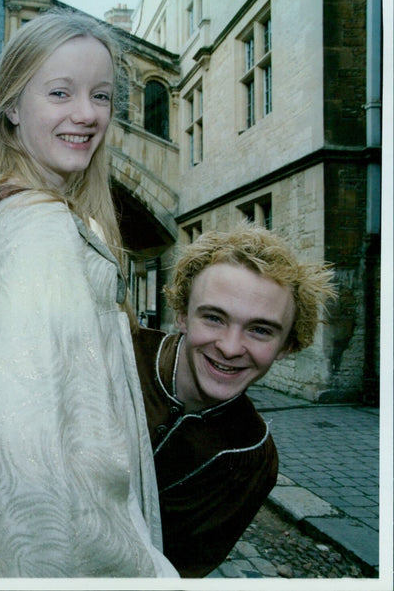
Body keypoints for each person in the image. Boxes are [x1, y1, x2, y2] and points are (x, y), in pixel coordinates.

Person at [0, 10, 177, 578]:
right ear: (10, 107)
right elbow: (30, 459)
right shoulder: (40, 227)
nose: (86, 115)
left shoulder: (26, 208)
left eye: (101, 96)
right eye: (60, 93)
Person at [133, 222, 336, 577]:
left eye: (260, 330)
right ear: (182, 314)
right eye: (213, 318)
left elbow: (176, 570)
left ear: (287, 345)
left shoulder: (251, 458)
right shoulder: (118, 354)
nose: (229, 347)